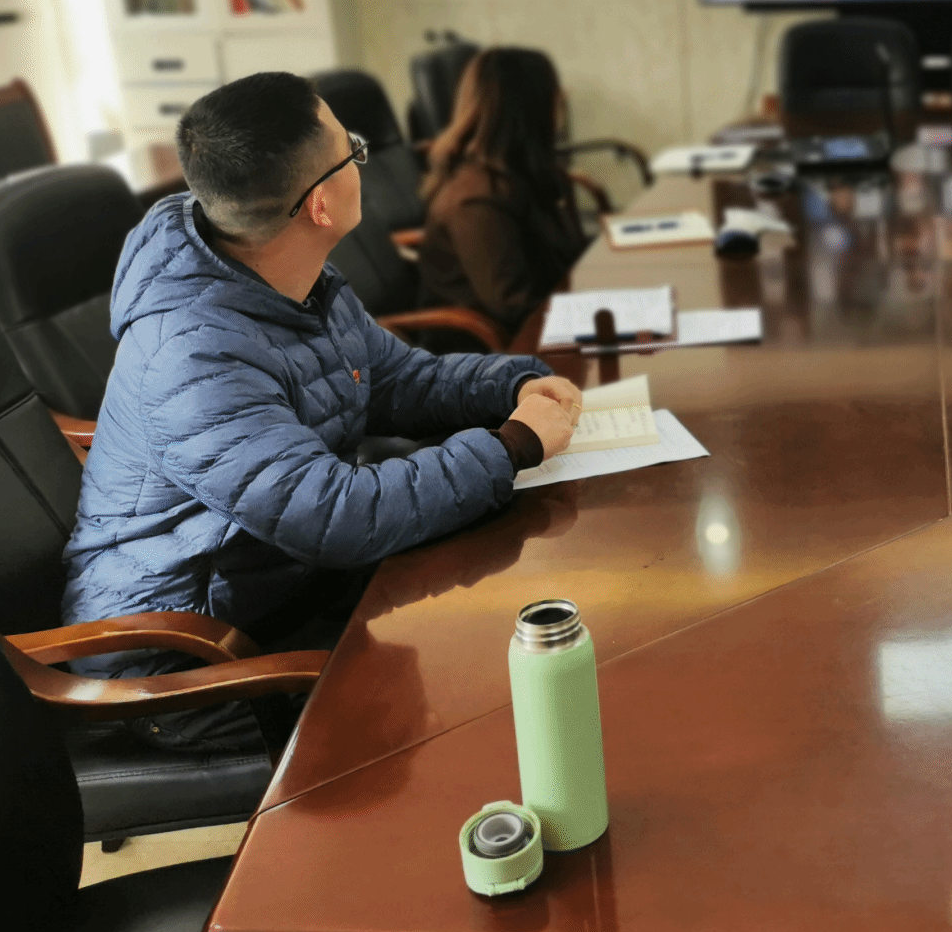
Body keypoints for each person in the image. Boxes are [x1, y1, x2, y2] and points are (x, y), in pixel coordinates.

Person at [61, 73, 581, 684]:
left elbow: (396, 379)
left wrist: (514, 385)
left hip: (282, 588)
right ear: (320, 205)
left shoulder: (290, 278)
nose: (362, 161)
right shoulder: (191, 359)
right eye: (352, 151)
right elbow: (336, 516)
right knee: (494, 656)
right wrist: (511, 446)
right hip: (185, 660)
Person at [418, 47, 592, 339]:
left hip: (548, 319)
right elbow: (515, 306)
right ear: (532, 109)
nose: (561, 103)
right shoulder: (475, 199)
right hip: (489, 349)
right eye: (555, 95)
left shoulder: (523, 172)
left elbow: (565, 259)